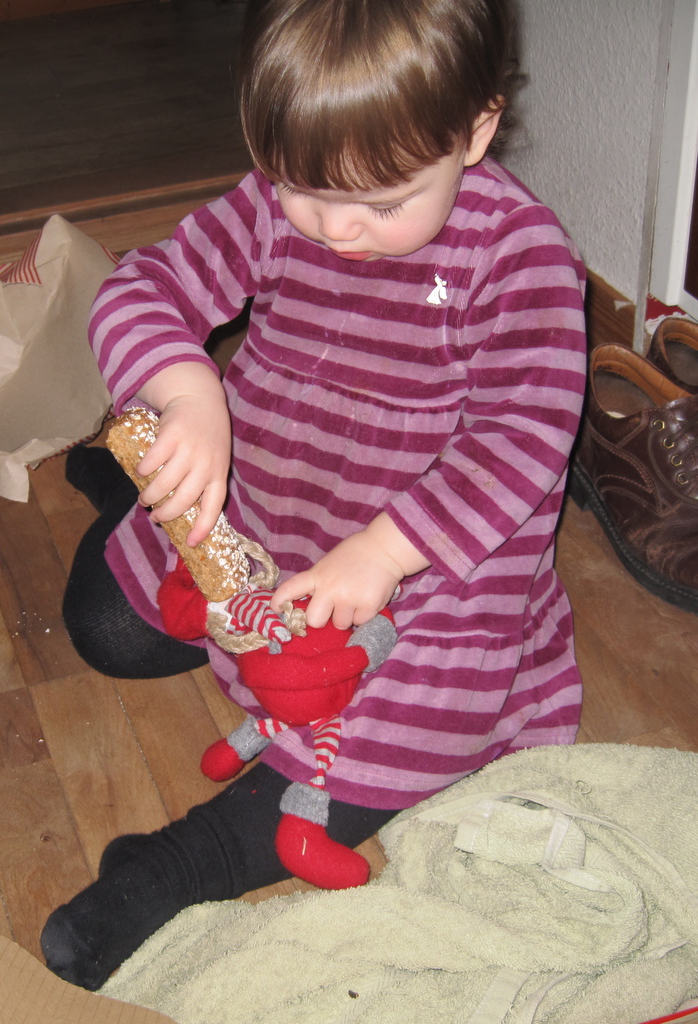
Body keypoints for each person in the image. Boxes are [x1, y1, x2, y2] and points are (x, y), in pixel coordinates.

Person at [41, 0, 587, 991]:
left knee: (391, 751)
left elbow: (522, 438)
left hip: (427, 574)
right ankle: (129, 486)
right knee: (103, 627)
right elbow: (138, 289)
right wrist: (185, 386)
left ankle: (179, 868)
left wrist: (384, 552)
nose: (336, 227)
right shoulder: (273, 202)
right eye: (301, 186)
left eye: (383, 202)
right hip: (270, 513)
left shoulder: (521, 256)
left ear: (475, 131)